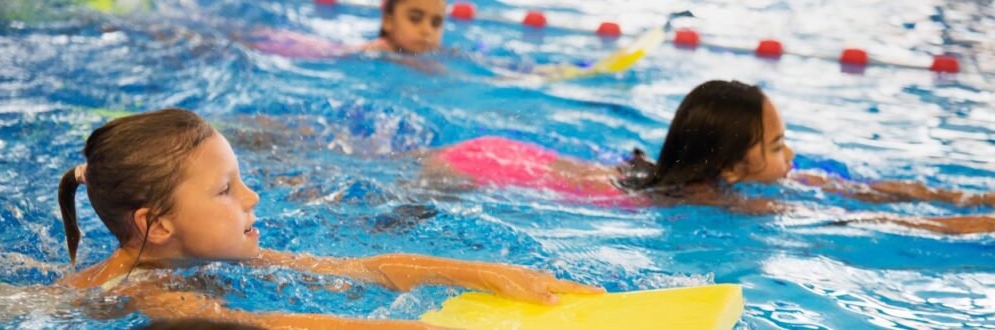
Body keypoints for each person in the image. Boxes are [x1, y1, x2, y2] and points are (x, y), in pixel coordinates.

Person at [57, 109, 602, 329]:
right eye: (226, 189)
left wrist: (482, 274)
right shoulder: (152, 294)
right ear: (157, 225)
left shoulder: (196, 250)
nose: (253, 197)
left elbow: (366, 269)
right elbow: (266, 326)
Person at [422, 80, 995, 234]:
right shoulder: (710, 197)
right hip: (480, 167)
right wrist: (969, 226)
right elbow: (865, 221)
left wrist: (967, 197)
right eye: (776, 146)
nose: (791, 155)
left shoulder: (727, 175)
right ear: (730, 170)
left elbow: (864, 195)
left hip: (515, 151)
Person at [245, 0, 446, 59]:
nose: (427, 30)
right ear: (388, 20)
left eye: (436, 22)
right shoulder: (380, 49)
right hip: (297, 47)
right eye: (415, 18)